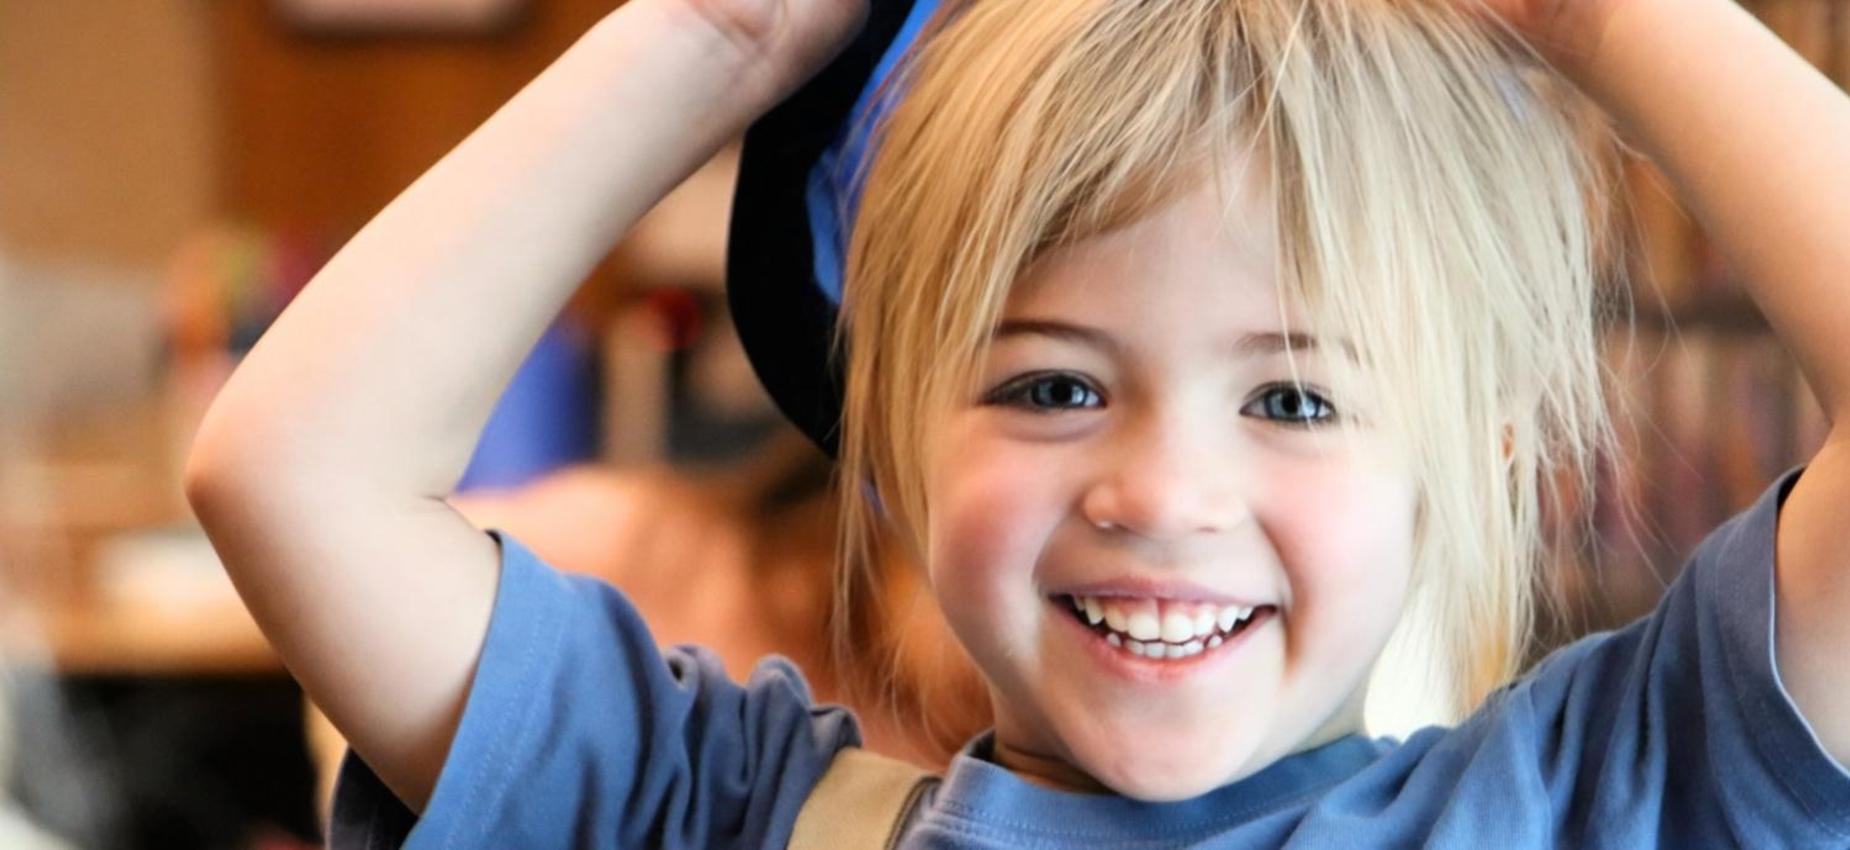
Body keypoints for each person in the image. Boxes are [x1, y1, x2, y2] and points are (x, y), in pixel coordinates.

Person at [183, 0, 1850, 845]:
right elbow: (290, 471)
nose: (1160, 487)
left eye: (1292, 394)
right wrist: (721, 35)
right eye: (1051, 383)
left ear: (1481, 447)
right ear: (897, 434)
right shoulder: (723, 813)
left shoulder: (1598, 801)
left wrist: (1606, 19)